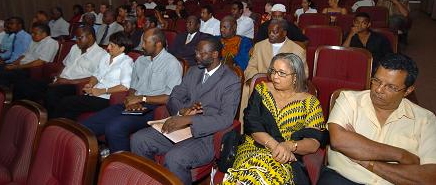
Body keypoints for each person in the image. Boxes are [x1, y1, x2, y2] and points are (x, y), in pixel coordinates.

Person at [131, 37, 241, 185]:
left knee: (174, 157)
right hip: (179, 128)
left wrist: (190, 120)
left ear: (215, 55)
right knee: (139, 140)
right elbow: (174, 96)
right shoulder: (193, 71)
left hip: (205, 137)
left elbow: (226, 118)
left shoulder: (230, 79)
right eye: (196, 52)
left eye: (202, 54)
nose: (196, 56)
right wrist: (182, 112)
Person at [318, 53, 436, 185]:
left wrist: (368, 162)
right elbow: (339, 141)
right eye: (376, 81)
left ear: (408, 90)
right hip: (343, 179)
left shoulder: (426, 120)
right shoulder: (349, 100)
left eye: (391, 87)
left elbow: (430, 177)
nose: (379, 89)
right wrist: (401, 155)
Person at [223, 53, 327, 184]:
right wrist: (277, 147)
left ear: (295, 77)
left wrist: (290, 146)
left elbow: (314, 142)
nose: (275, 76)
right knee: (250, 173)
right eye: (273, 71)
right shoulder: (262, 90)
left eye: (282, 73)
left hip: (287, 157)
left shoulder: (310, 103)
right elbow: (252, 124)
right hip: (255, 147)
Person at [81, 28, 182, 153]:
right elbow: (133, 87)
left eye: (145, 42)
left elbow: (170, 97)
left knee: (115, 127)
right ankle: (89, 158)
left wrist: (142, 99)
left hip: (154, 108)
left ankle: (122, 165)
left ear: (158, 44)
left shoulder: (172, 63)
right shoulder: (141, 60)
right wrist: (132, 99)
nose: (142, 46)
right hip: (134, 103)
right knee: (88, 124)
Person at [13, 26, 107, 113]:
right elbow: (64, 64)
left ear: (90, 37)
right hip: (60, 80)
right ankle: (27, 114)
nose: (76, 41)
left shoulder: (101, 54)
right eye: (76, 38)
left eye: (79, 38)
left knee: (52, 94)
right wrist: (57, 75)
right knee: (25, 84)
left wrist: (68, 82)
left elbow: (96, 78)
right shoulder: (74, 48)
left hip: (75, 85)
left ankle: (49, 122)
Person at [240, 19, 309, 128]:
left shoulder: (297, 50)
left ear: (284, 33)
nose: (271, 34)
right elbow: (251, 67)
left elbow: (303, 74)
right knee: (246, 87)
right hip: (260, 84)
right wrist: (255, 79)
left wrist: (282, 81)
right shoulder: (259, 46)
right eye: (269, 32)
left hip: (285, 86)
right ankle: (246, 129)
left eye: (275, 32)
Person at [52, 31, 133, 119]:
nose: (108, 47)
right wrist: (90, 84)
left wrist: (102, 91)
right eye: (109, 44)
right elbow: (96, 75)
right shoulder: (106, 57)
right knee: (69, 109)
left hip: (106, 98)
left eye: (112, 46)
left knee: (66, 101)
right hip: (94, 93)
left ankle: (52, 124)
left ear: (122, 49)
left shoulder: (126, 62)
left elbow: (125, 86)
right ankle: (63, 127)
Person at [0, 23, 59, 87]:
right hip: (21, 66)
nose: (32, 35)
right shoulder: (34, 41)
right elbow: (24, 54)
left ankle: (3, 95)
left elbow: (40, 62)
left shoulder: (50, 43)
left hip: (30, 69)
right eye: (32, 33)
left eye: (35, 33)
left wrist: (17, 67)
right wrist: (13, 63)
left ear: (44, 34)